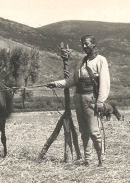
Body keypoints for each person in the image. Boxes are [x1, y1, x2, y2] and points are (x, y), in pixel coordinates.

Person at [47, 35, 110, 167]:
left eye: (87, 44)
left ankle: (101, 159)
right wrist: (55, 83)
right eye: (83, 44)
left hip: (91, 99)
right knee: (84, 131)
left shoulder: (101, 60)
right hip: (78, 98)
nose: (84, 46)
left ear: (94, 44)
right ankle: (87, 159)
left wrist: (100, 101)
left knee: (94, 130)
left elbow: (104, 82)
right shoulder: (81, 61)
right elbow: (72, 81)